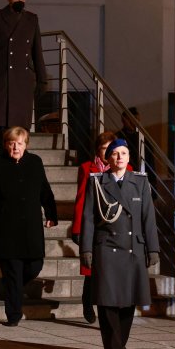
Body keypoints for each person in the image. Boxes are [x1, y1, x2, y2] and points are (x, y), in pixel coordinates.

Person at [79, 139, 159, 349]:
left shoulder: (140, 182)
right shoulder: (97, 182)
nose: (119, 157)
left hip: (133, 247)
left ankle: (121, 341)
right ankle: (112, 347)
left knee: (128, 300)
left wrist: (153, 248)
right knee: (107, 300)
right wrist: (86, 248)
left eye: (124, 153)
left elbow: (148, 217)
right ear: (108, 158)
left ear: (129, 157)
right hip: (106, 247)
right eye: (115, 153)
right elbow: (88, 218)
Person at [0, 126, 58, 326]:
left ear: (26, 144)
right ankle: (13, 314)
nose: (15, 147)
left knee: (35, 265)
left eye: (19, 143)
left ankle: (13, 287)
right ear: (5, 145)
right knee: (12, 271)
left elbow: (45, 190)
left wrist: (51, 214)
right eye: (11, 143)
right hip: (5, 227)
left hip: (31, 227)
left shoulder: (35, 162)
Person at [0, 0, 47, 155]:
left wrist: (42, 79)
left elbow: (37, 51)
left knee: (22, 129)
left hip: (23, 81)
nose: (20, 1)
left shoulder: (32, 19)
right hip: (3, 80)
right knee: (2, 128)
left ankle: (20, 162)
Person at [71, 131, 119, 324]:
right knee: (91, 271)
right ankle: (87, 302)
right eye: (104, 149)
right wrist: (77, 228)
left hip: (115, 228)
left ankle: (109, 311)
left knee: (112, 272)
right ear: (98, 151)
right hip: (92, 225)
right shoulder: (86, 168)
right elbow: (81, 199)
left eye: (112, 149)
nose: (108, 153)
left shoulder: (127, 168)